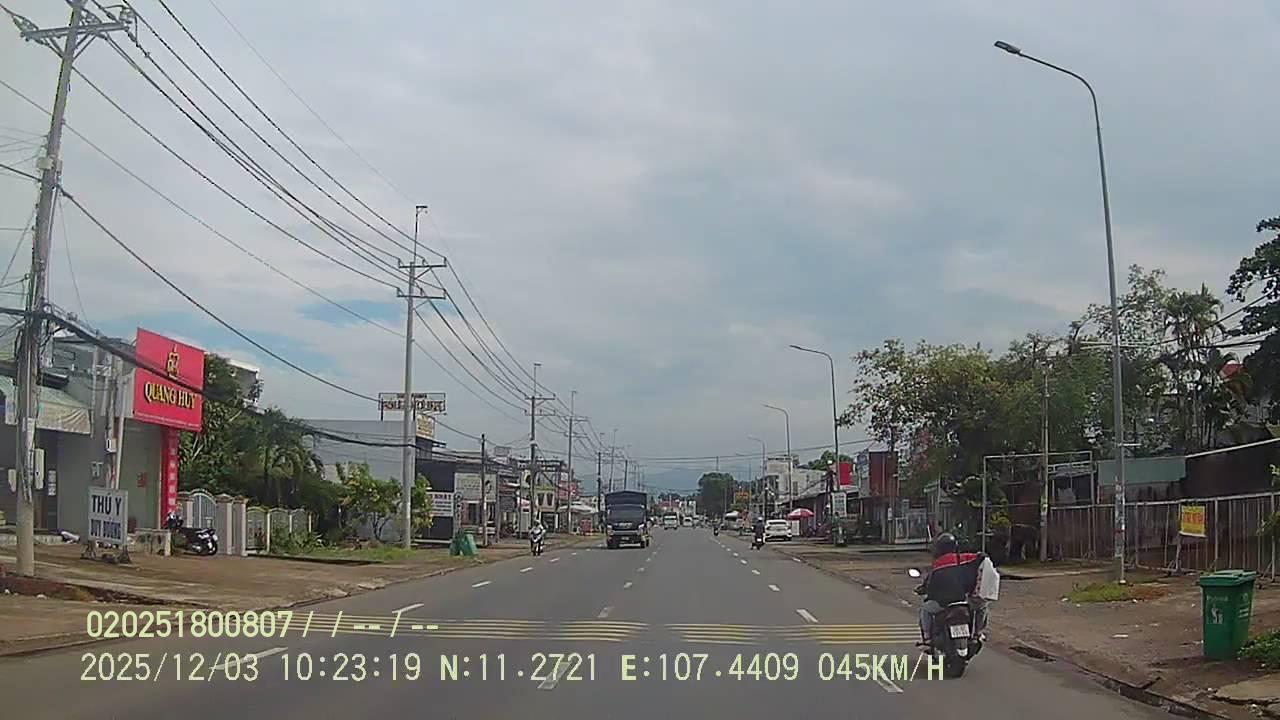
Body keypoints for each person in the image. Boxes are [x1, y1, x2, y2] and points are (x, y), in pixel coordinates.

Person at [917, 533, 988, 645]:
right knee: (983, 606)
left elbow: (930, 584)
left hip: (944, 603)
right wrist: (982, 556)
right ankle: (978, 633)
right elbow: (979, 557)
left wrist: (924, 590)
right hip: (964, 601)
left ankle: (927, 638)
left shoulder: (938, 564)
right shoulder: (962, 559)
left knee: (925, 610)